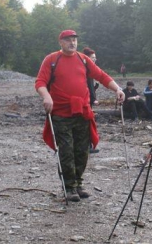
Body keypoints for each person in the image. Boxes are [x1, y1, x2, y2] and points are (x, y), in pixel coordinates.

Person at [35, 30, 125, 202]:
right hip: (60, 113)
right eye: (68, 40)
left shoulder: (83, 59)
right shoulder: (52, 59)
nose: (72, 43)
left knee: (82, 151)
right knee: (67, 151)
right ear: (60, 42)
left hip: (82, 112)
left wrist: (117, 89)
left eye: (74, 40)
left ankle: (78, 182)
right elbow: (40, 82)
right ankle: (69, 187)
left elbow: (101, 75)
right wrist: (46, 96)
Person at [82, 47, 100, 154]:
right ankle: (87, 146)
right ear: (87, 58)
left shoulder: (87, 68)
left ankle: (87, 145)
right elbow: (88, 86)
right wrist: (94, 99)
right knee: (87, 122)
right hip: (86, 101)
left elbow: (90, 87)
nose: (94, 59)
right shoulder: (88, 69)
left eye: (95, 58)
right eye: (93, 57)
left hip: (86, 99)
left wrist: (96, 86)